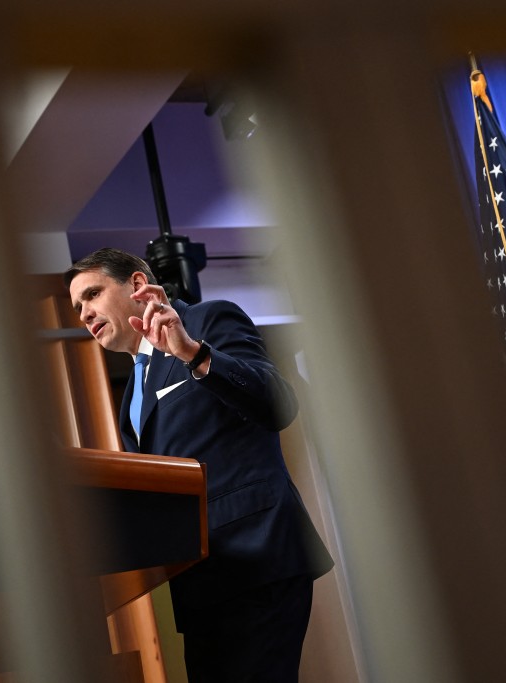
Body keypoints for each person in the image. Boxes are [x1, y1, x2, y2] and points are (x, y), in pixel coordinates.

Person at [64, 247, 333, 682]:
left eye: (92, 294)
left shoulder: (207, 321)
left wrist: (195, 354)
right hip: (198, 583)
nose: (85, 313)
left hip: (257, 558)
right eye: (78, 307)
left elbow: (277, 404)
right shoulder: (131, 390)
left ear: (136, 285)